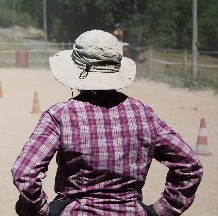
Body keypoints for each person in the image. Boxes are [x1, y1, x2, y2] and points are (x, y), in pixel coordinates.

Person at [11, 29, 203, 215]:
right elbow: (190, 166)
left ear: (77, 71)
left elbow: (25, 173)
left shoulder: (59, 115)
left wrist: (42, 211)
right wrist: (161, 210)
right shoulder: (145, 115)